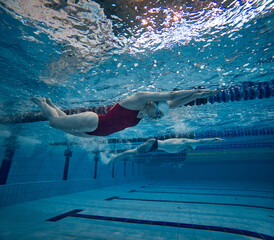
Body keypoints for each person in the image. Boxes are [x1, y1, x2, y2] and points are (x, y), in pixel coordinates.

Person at [31, 88, 219, 137]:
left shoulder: (147, 112)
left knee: (64, 125)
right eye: (158, 114)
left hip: (95, 133)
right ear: (153, 103)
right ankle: (41, 102)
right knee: (54, 123)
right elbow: (171, 95)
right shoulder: (138, 99)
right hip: (93, 122)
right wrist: (198, 91)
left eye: (158, 116)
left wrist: (195, 96)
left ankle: (49, 103)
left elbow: (176, 103)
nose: (156, 117)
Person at [104, 137, 224, 164]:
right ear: (190, 147)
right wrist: (214, 140)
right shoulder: (185, 142)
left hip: (154, 144)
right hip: (154, 144)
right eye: (190, 149)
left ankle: (114, 157)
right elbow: (200, 141)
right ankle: (113, 159)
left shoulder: (182, 146)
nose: (189, 150)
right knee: (132, 152)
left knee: (132, 152)